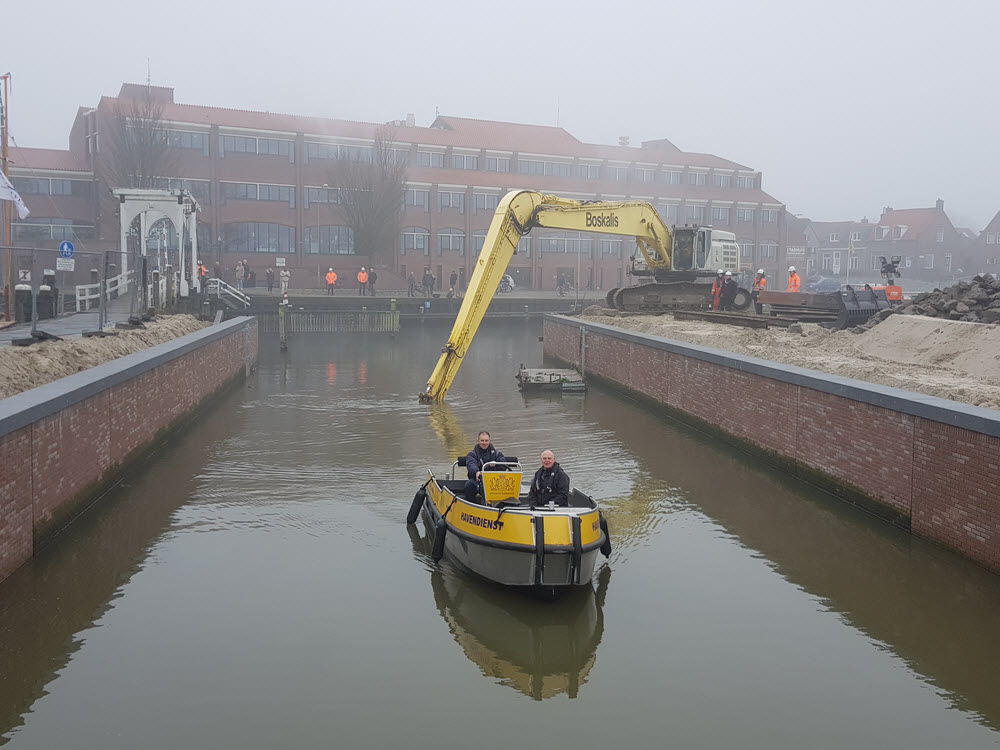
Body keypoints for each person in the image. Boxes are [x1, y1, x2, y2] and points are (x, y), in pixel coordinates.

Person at [463, 431, 506, 500]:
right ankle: (471, 505)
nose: (484, 443)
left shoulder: (497, 453)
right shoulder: (472, 454)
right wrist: (476, 472)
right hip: (478, 480)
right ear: (478, 441)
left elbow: (504, 464)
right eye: (482, 440)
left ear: (489, 441)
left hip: (495, 480)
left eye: (486, 440)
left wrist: (496, 464)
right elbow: (471, 464)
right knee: (469, 485)